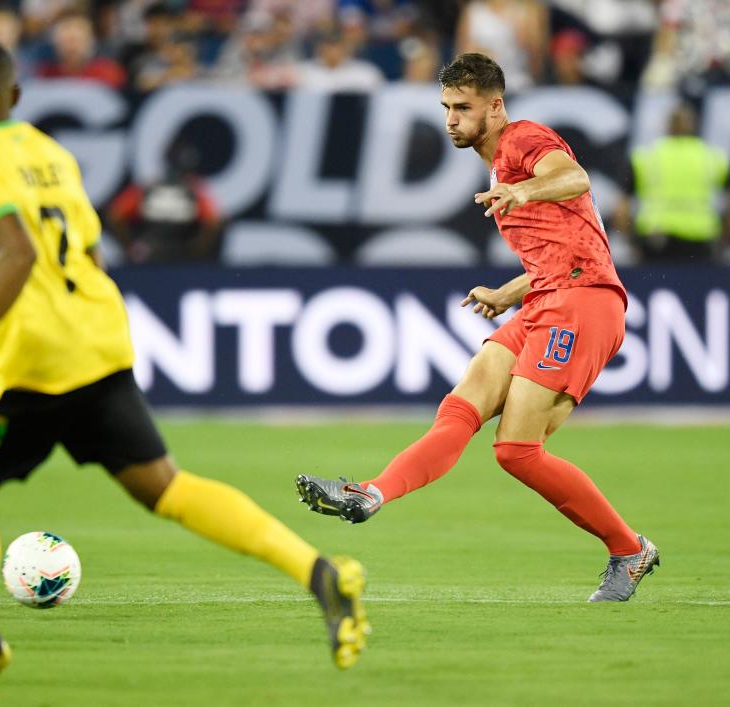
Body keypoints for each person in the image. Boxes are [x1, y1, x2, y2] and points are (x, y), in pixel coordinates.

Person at [0, 37, 369, 681]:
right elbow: (81, 255)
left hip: (31, 366)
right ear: (15, 96)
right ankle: (318, 572)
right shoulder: (51, 152)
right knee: (166, 486)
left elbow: (18, 254)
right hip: (98, 339)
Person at [296, 53, 659, 604]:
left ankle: (629, 549)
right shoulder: (496, 163)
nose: (451, 121)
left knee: (516, 451)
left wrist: (524, 191)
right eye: (446, 107)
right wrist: (505, 292)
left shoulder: (523, 140)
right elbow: (564, 250)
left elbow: (574, 177)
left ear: (496, 105)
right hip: (545, 298)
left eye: (463, 108)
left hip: (582, 306)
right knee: (460, 408)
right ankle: (371, 493)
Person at [614, 103, 729, 263]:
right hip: (700, 242)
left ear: (667, 126)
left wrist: (631, 241)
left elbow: (621, 209)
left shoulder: (646, 157)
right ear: (693, 126)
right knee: (695, 287)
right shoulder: (712, 157)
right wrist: (724, 240)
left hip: (657, 241)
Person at [107, 139, 221, 263]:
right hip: (182, 257)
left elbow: (115, 215)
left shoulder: (147, 189)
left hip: (148, 254)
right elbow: (214, 221)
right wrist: (197, 250)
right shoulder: (195, 191)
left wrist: (130, 245)